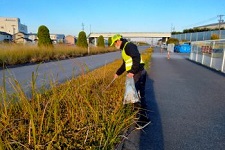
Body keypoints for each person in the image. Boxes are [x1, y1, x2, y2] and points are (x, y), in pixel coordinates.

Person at [110, 34, 151, 129]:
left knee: (137, 96)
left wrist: (132, 72)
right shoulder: (125, 49)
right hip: (136, 73)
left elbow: (137, 57)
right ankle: (139, 115)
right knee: (136, 95)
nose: (114, 45)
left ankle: (144, 120)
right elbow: (126, 64)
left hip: (138, 73)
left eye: (115, 43)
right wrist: (117, 73)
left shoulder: (128, 46)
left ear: (118, 40)